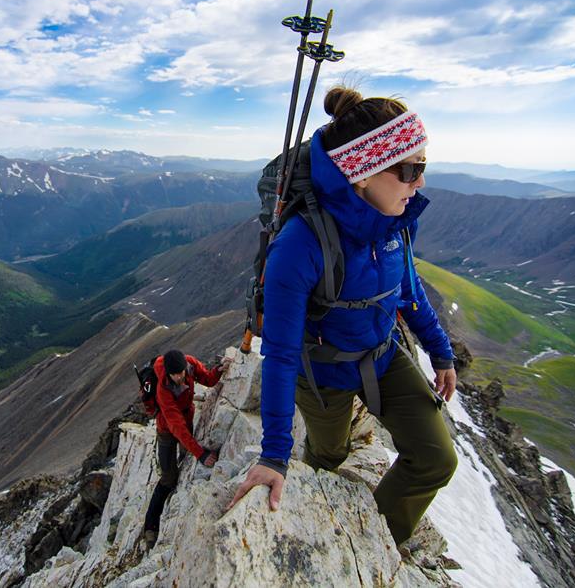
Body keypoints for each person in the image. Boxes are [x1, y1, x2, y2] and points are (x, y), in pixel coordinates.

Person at [228, 87, 458, 546]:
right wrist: (274, 456)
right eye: (411, 170)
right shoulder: (300, 245)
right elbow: (280, 353)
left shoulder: (395, 219)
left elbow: (407, 290)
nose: (421, 183)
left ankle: (372, 544)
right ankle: (319, 496)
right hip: (322, 372)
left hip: (382, 354)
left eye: (423, 167)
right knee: (328, 455)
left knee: (436, 458)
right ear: (363, 175)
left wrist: (441, 353)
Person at [143, 349, 231, 546]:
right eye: (175, 374)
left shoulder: (189, 364)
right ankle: (150, 526)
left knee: (185, 459)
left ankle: (181, 478)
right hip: (166, 428)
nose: (180, 376)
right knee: (168, 477)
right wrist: (200, 453)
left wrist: (218, 369)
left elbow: (207, 380)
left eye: (181, 372)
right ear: (168, 372)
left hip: (187, 417)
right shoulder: (163, 389)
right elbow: (176, 427)